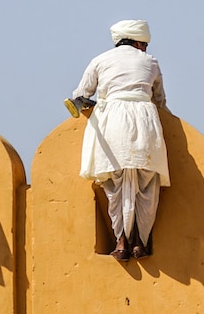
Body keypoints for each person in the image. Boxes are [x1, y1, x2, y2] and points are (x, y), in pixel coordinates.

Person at [72, 19, 169, 261]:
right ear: (138, 42)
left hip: (111, 123)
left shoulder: (100, 60)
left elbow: (81, 94)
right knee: (145, 184)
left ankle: (121, 241)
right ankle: (140, 242)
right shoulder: (151, 62)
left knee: (116, 185)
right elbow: (160, 100)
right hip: (145, 123)